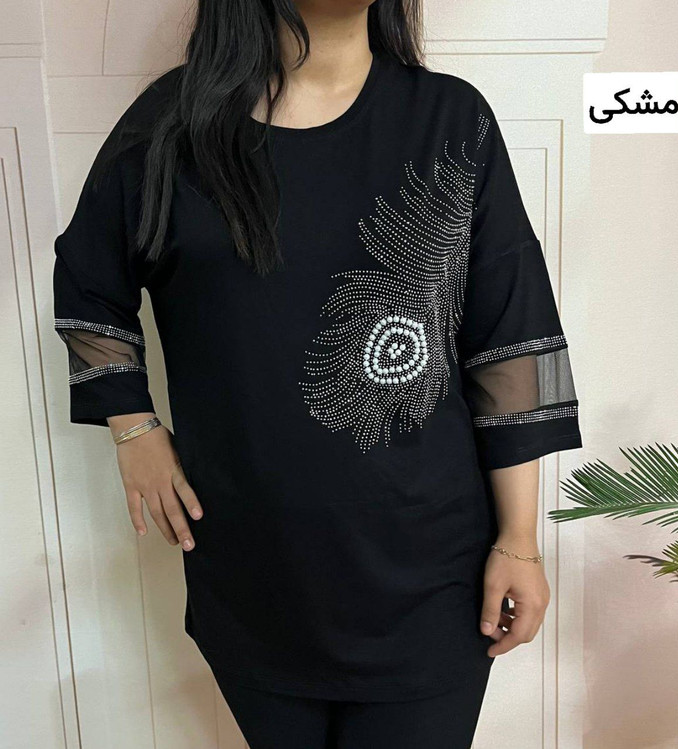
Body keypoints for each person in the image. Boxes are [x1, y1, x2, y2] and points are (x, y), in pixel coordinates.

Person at [52, 0, 583, 746]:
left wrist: (519, 538)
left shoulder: (449, 120)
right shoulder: (171, 126)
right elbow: (87, 283)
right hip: (252, 574)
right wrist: (132, 428)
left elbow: (509, 340)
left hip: (429, 578)